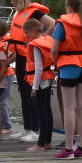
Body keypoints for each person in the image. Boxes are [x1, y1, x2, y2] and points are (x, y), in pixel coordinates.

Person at [50, 0, 82, 158]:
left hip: (69, 65)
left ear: (69, 8)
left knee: (69, 108)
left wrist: (56, 62)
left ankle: (69, 148)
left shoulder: (63, 24)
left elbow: (54, 50)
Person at [6, 0, 55, 143]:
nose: (11, 3)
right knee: (23, 93)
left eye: (13, 0)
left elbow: (53, 23)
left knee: (30, 93)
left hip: (31, 58)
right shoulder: (18, 13)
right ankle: (27, 128)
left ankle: (35, 130)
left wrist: (41, 39)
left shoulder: (34, 12)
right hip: (20, 56)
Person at [22, 17, 56, 151]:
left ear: (34, 30)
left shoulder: (36, 45)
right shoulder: (48, 40)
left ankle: (40, 144)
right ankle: (47, 142)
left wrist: (34, 87)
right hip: (48, 79)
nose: (26, 36)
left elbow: (39, 68)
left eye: (27, 33)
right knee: (47, 110)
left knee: (43, 112)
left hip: (40, 81)